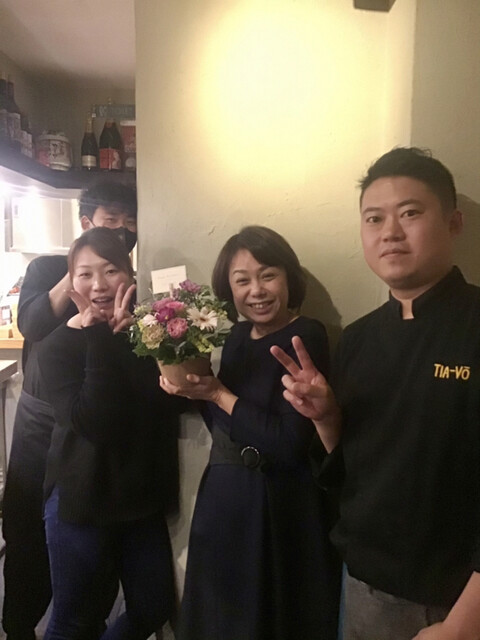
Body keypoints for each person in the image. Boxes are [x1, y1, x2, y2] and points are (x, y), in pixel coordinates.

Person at [271, 147, 480, 640]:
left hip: (453, 602)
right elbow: (354, 471)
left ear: (453, 223)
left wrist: (463, 624)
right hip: (361, 587)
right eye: (374, 219)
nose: (390, 232)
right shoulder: (358, 338)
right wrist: (326, 419)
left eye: (410, 213)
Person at [161, 225, 340, 640]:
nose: (256, 290)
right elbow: (227, 425)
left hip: (280, 501)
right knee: (221, 620)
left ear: (288, 278)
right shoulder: (238, 336)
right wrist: (190, 390)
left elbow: (289, 443)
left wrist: (217, 394)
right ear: (229, 289)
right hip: (226, 495)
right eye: (242, 280)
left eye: (268, 275)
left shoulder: (306, 335)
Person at [2, 181, 137, 640]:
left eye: (130, 222)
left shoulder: (128, 282)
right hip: (41, 420)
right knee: (26, 529)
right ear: (85, 222)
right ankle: (19, 627)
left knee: (87, 528)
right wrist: (79, 269)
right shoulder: (46, 269)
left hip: (91, 420)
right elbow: (33, 323)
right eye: (112, 220)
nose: (123, 230)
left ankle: (84, 621)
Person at [38, 227, 178, 638]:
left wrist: (145, 342)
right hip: (82, 499)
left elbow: (166, 405)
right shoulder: (56, 347)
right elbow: (95, 422)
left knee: (153, 606)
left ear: (129, 275)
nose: (98, 285)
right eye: (85, 274)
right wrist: (99, 339)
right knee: (74, 619)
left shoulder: (145, 335)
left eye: (110, 270)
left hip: (138, 498)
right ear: (71, 281)